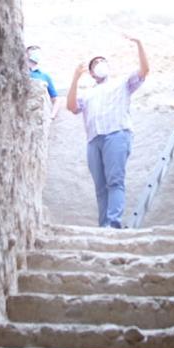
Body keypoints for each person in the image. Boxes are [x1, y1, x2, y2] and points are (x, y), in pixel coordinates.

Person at [66, 34, 150, 228]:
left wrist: (139, 43)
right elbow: (71, 107)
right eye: (95, 63)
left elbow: (144, 71)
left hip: (117, 134)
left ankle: (113, 224)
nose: (100, 63)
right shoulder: (88, 93)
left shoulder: (121, 83)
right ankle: (103, 226)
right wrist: (75, 79)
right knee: (100, 188)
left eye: (103, 60)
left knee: (115, 181)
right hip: (94, 140)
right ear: (92, 72)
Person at [27, 45, 61, 118]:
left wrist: (52, 115)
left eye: (36, 54)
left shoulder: (44, 76)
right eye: (31, 54)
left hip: (38, 117)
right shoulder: (19, 73)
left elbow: (56, 99)